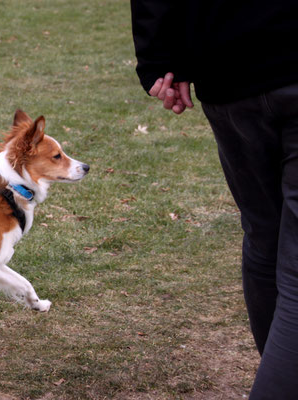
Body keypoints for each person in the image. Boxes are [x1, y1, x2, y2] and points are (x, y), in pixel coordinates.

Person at [130, 1, 298, 398]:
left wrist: (161, 56)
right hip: (240, 70)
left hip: (227, 68)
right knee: (275, 249)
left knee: (265, 240)